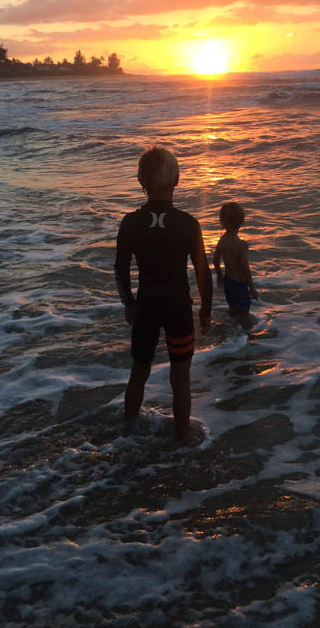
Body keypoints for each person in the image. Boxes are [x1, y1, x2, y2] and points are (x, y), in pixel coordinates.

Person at [114, 146, 212, 441]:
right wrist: (206, 310)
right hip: (178, 307)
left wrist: (128, 303)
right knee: (180, 381)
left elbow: (120, 269)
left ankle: (128, 435)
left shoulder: (131, 222)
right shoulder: (188, 224)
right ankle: (182, 443)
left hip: (146, 306)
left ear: (141, 181)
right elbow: (203, 272)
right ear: (176, 180)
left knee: (138, 373)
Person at [213, 202, 258, 329]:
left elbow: (215, 259)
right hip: (239, 284)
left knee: (232, 308)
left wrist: (220, 275)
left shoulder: (222, 240)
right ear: (241, 222)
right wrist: (252, 288)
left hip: (228, 281)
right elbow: (244, 267)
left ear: (222, 222)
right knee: (244, 314)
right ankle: (246, 336)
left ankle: (224, 326)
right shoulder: (241, 244)